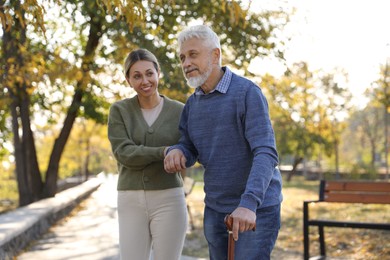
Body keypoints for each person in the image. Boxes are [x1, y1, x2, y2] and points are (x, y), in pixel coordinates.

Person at [164, 25, 283, 260]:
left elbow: (266, 153)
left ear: (215, 55)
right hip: (216, 208)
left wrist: (249, 204)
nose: (186, 63)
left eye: (193, 54)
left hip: (254, 209)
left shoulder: (247, 93)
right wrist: (179, 151)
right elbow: (189, 146)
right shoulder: (192, 104)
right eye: (182, 57)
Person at [108, 48, 187, 260]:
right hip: (130, 198)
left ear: (158, 73)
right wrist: (164, 152)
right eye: (137, 76)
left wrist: (179, 154)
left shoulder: (180, 111)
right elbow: (124, 153)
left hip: (170, 197)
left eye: (149, 73)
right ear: (128, 80)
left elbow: (188, 148)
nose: (145, 81)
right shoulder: (119, 111)